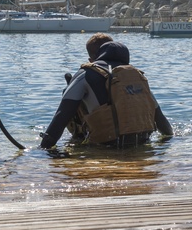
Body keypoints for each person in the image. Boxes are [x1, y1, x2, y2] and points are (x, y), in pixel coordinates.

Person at [39, 34, 173, 150]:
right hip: (142, 143)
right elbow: (165, 128)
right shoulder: (137, 76)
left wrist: (43, 149)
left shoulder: (86, 73)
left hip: (106, 145)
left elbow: (61, 116)